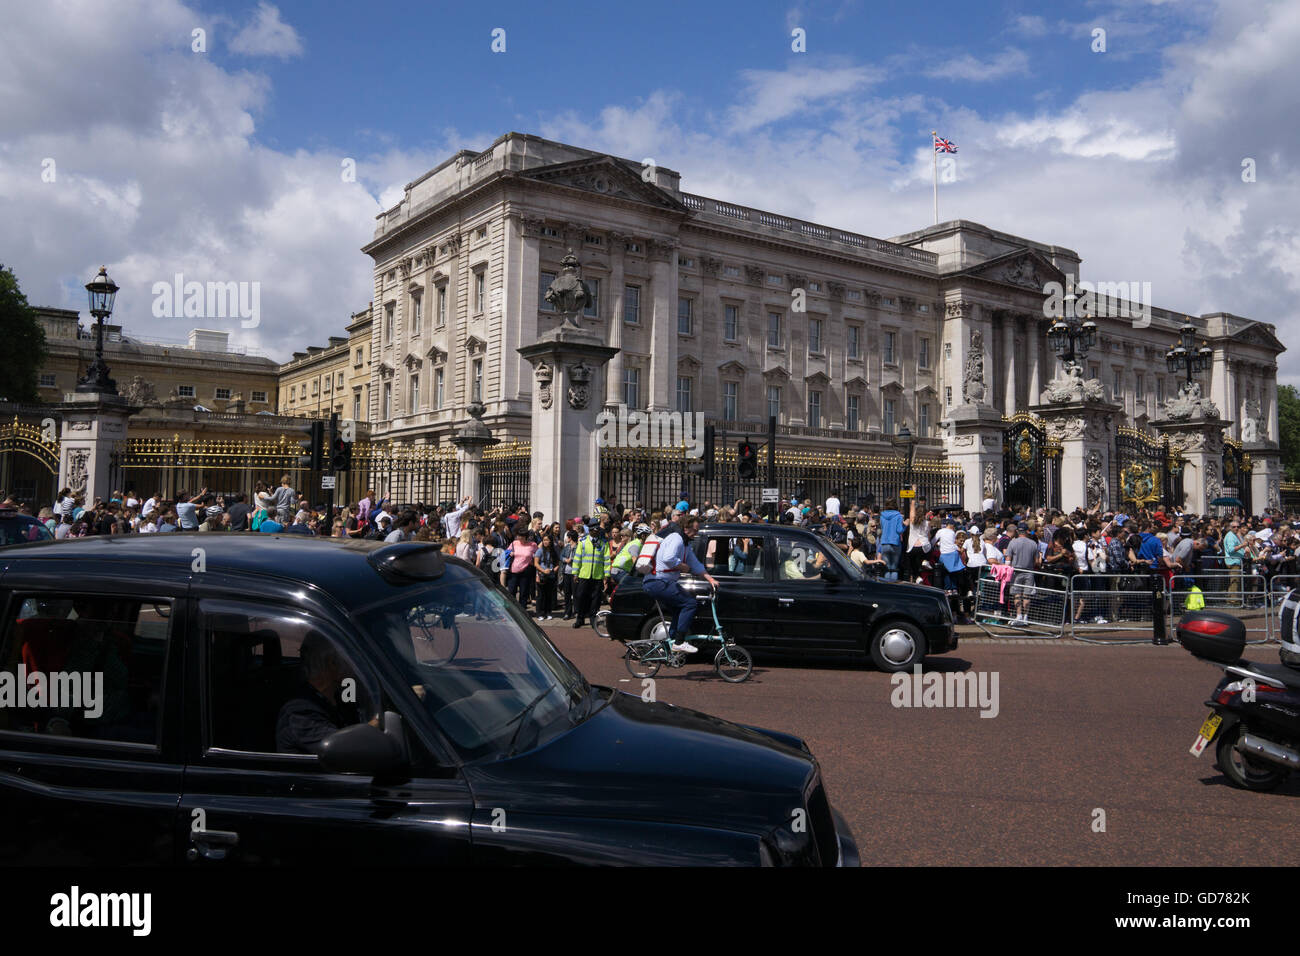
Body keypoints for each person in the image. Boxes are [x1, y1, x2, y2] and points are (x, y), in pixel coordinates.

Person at [276, 633, 371, 755]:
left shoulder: (339, 692)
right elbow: (347, 749)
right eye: (350, 659)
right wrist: (376, 723)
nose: (355, 665)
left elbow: (356, 713)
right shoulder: (301, 714)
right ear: (333, 664)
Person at [643, 514, 719, 654]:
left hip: (662, 582)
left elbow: (695, 564)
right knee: (689, 603)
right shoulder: (676, 539)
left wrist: (711, 579)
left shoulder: (685, 544)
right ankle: (679, 642)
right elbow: (668, 558)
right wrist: (682, 567)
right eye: (695, 530)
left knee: (679, 608)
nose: (696, 533)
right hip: (657, 581)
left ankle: (671, 641)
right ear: (686, 528)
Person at [571, 524, 608, 628]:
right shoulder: (582, 542)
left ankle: (592, 619)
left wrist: (606, 575)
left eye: (597, 531)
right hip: (584, 575)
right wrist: (575, 573)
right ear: (590, 530)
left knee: (595, 599)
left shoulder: (603, 543)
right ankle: (580, 618)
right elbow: (577, 558)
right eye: (594, 530)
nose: (596, 532)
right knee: (581, 597)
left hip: (597, 575)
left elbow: (606, 560)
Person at [1004, 525, 1041, 627]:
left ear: (1017, 531)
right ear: (1027, 531)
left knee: (1017, 594)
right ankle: (1025, 617)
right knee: (1026, 595)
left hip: (1016, 571)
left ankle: (1019, 615)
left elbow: (1008, 559)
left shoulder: (1013, 542)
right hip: (1029, 572)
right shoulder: (1033, 543)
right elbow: (1037, 561)